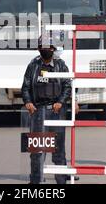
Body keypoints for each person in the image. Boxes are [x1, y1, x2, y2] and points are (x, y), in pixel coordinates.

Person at [21, 34, 72, 184]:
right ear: (38, 48)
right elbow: (25, 87)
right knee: (37, 150)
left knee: (58, 149)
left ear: (53, 48)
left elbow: (67, 86)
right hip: (38, 111)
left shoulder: (61, 65)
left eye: (49, 47)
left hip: (57, 111)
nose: (46, 50)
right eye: (43, 47)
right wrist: (28, 102)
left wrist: (61, 102)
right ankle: (36, 180)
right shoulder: (33, 65)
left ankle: (61, 180)